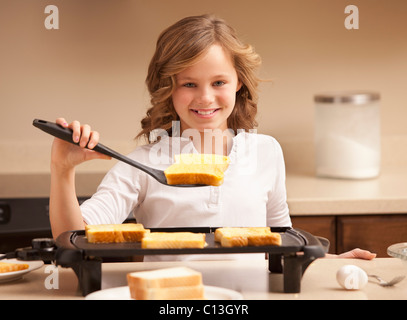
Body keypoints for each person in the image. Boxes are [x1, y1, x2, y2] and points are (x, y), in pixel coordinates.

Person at [49, 14, 375, 261]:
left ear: (238, 83)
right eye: (189, 84)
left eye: (218, 82)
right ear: (168, 89)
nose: (205, 98)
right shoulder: (141, 164)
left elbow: (281, 243)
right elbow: (73, 237)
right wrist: (63, 171)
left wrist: (329, 262)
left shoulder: (266, 152)